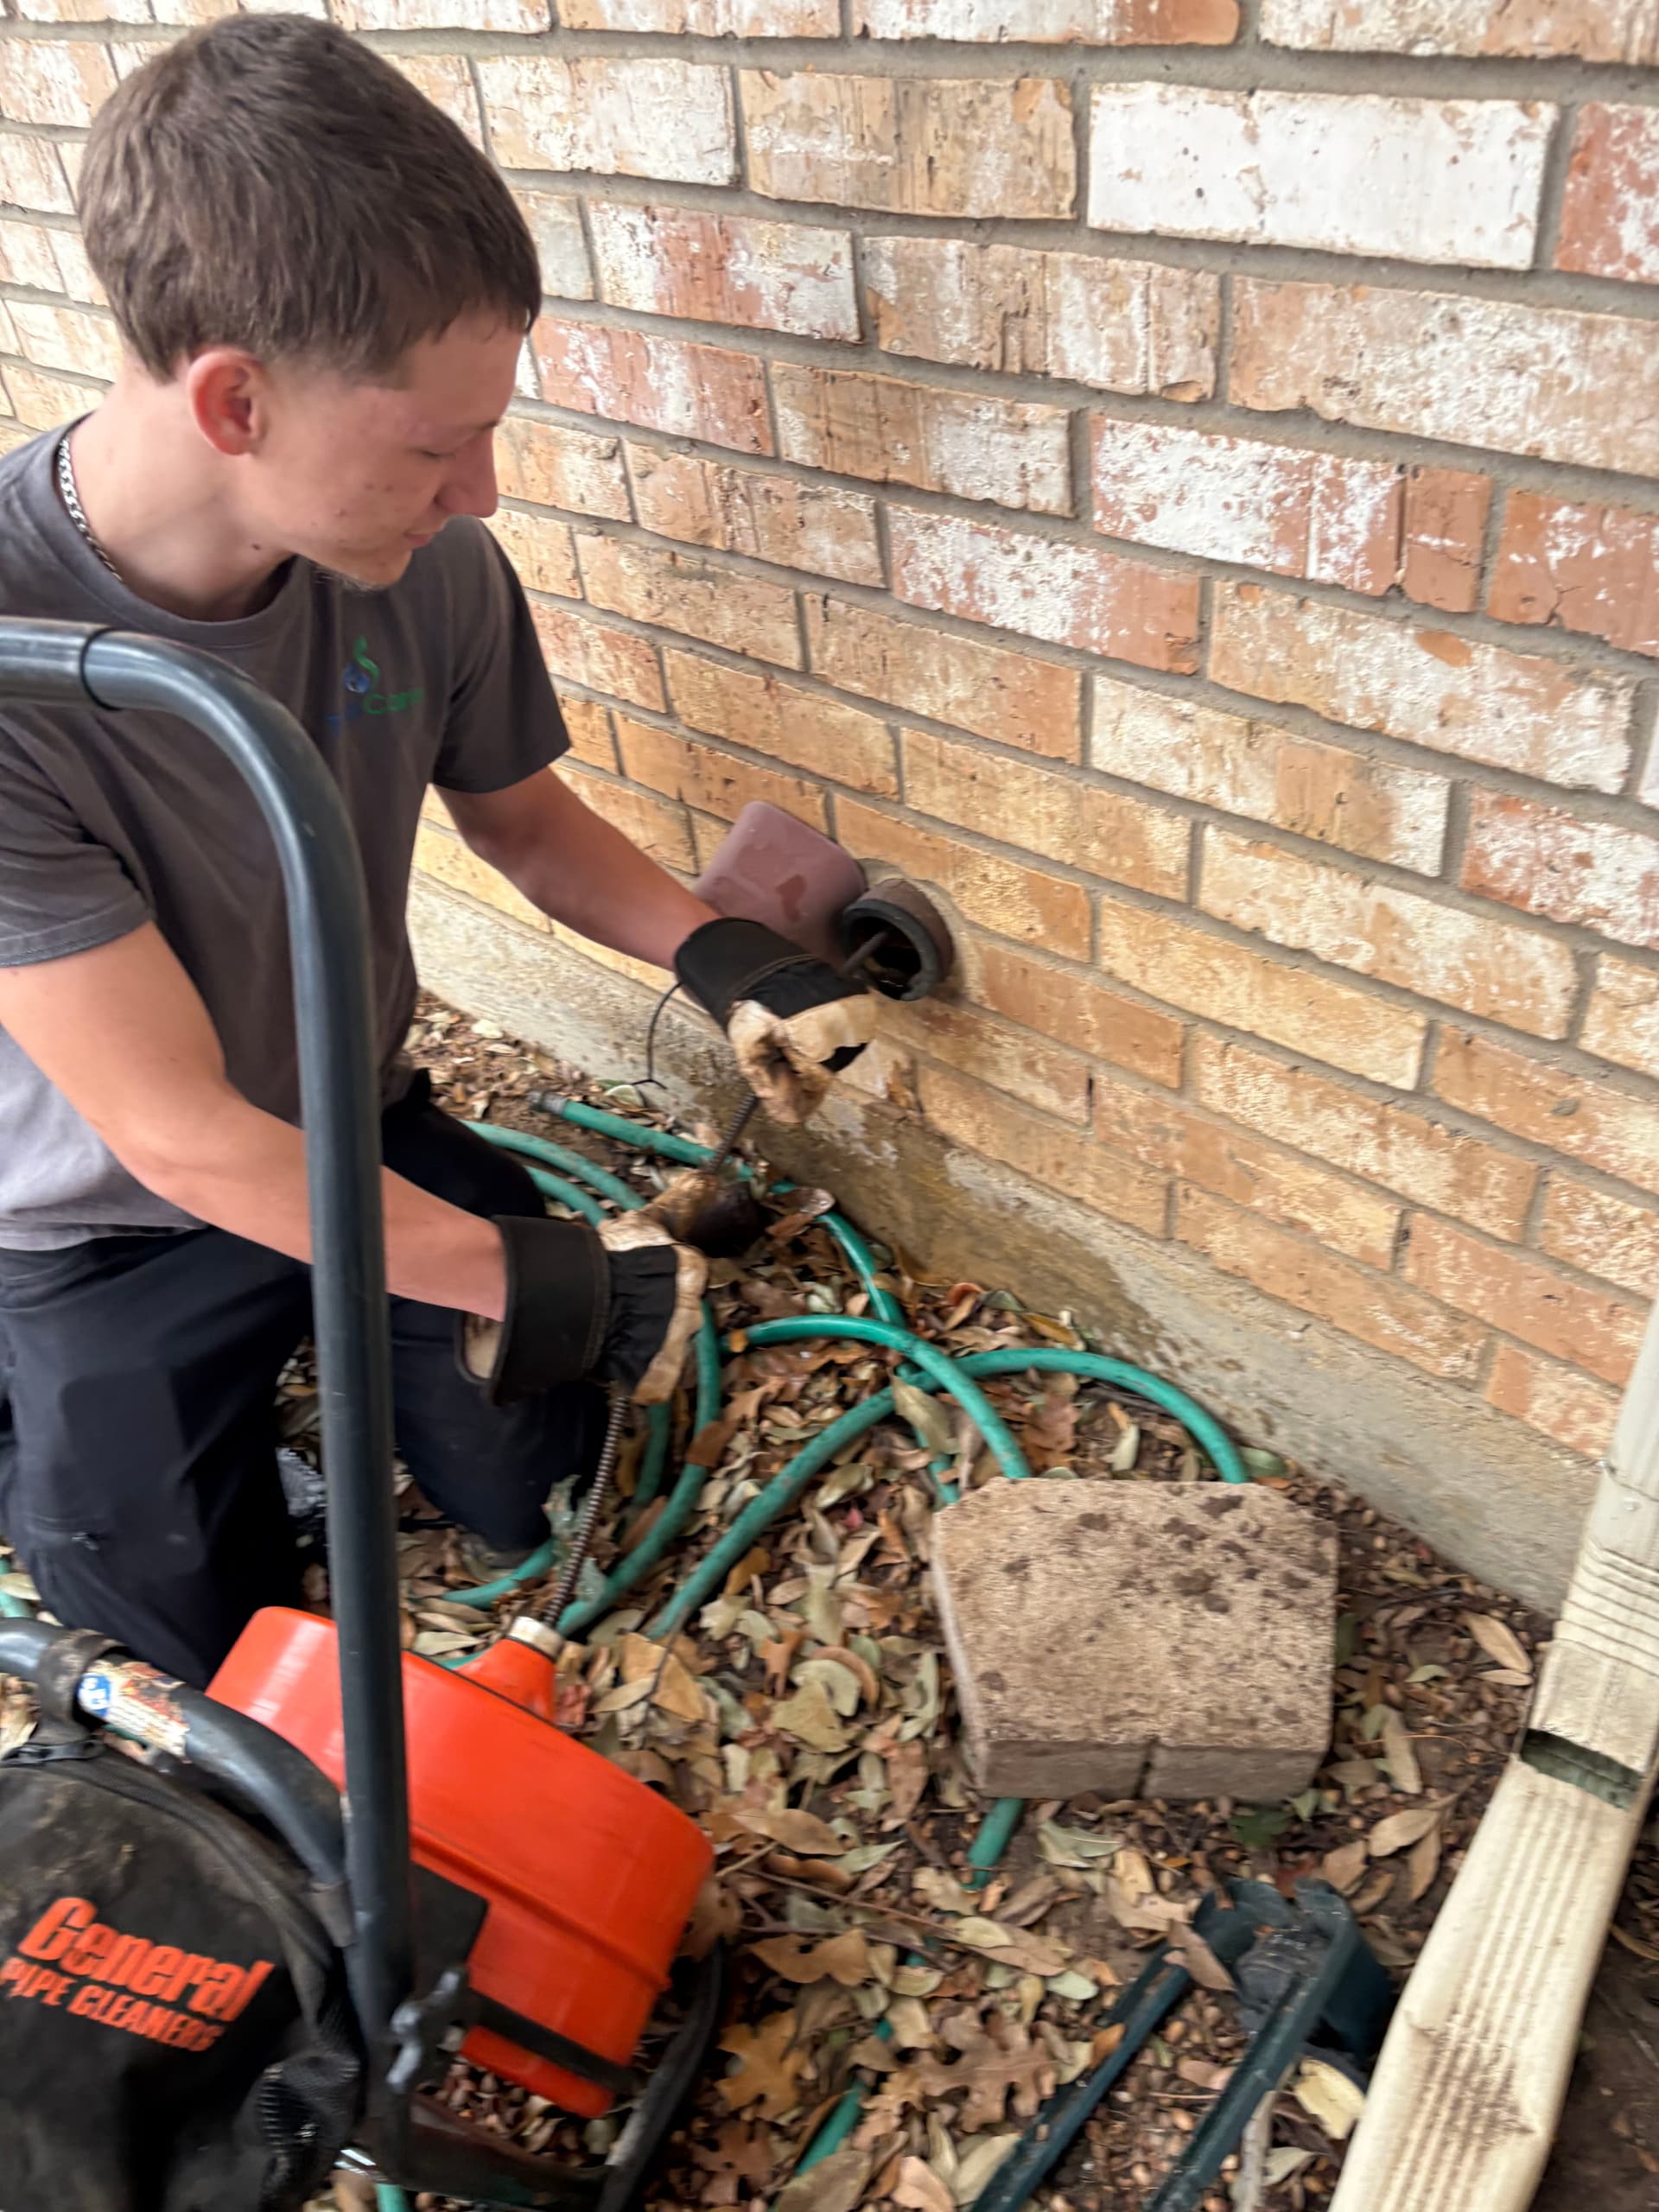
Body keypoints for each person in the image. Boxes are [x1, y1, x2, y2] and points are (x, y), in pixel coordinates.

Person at [0, 15, 875, 1689]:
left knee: (528, 1479)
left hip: (356, 1121)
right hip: (107, 1222)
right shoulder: (16, 660)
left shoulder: (422, 568)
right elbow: (177, 1133)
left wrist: (722, 957)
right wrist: (552, 1274)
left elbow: (524, 821)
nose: (479, 490)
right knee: (192, 1651)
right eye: (434, 441)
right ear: (235, 399)